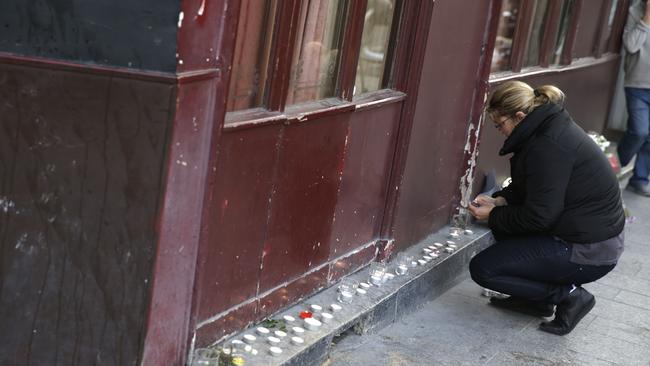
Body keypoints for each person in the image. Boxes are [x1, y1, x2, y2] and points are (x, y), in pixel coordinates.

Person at [468, 81, 625, 336]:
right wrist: (500, 200)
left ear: (519, 116)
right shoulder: (545, 131)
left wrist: (494, 214)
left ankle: (569, 295)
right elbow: (533, 187)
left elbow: (539, 216)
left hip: (589, 249)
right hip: (581, 234)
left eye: (499, 124)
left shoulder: (549, 144)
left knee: (484, 269)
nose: (499, 131)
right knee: (507, 233)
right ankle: (535, 300)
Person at [618, 0, 650, 196]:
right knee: (638, 132)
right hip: (637, 85)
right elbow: (631, 46)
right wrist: (647, 17)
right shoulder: (634, 11)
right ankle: (610, 170)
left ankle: (639, 179)